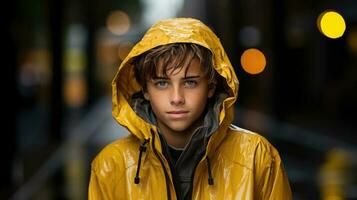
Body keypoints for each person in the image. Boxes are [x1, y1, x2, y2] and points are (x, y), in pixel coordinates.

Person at [88, 18, 292, 200]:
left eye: (190, 83)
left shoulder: (258, 157)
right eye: (162, 83)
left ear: (210, 87)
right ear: (145, 90)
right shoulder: (111, 165)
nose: (177, 98)